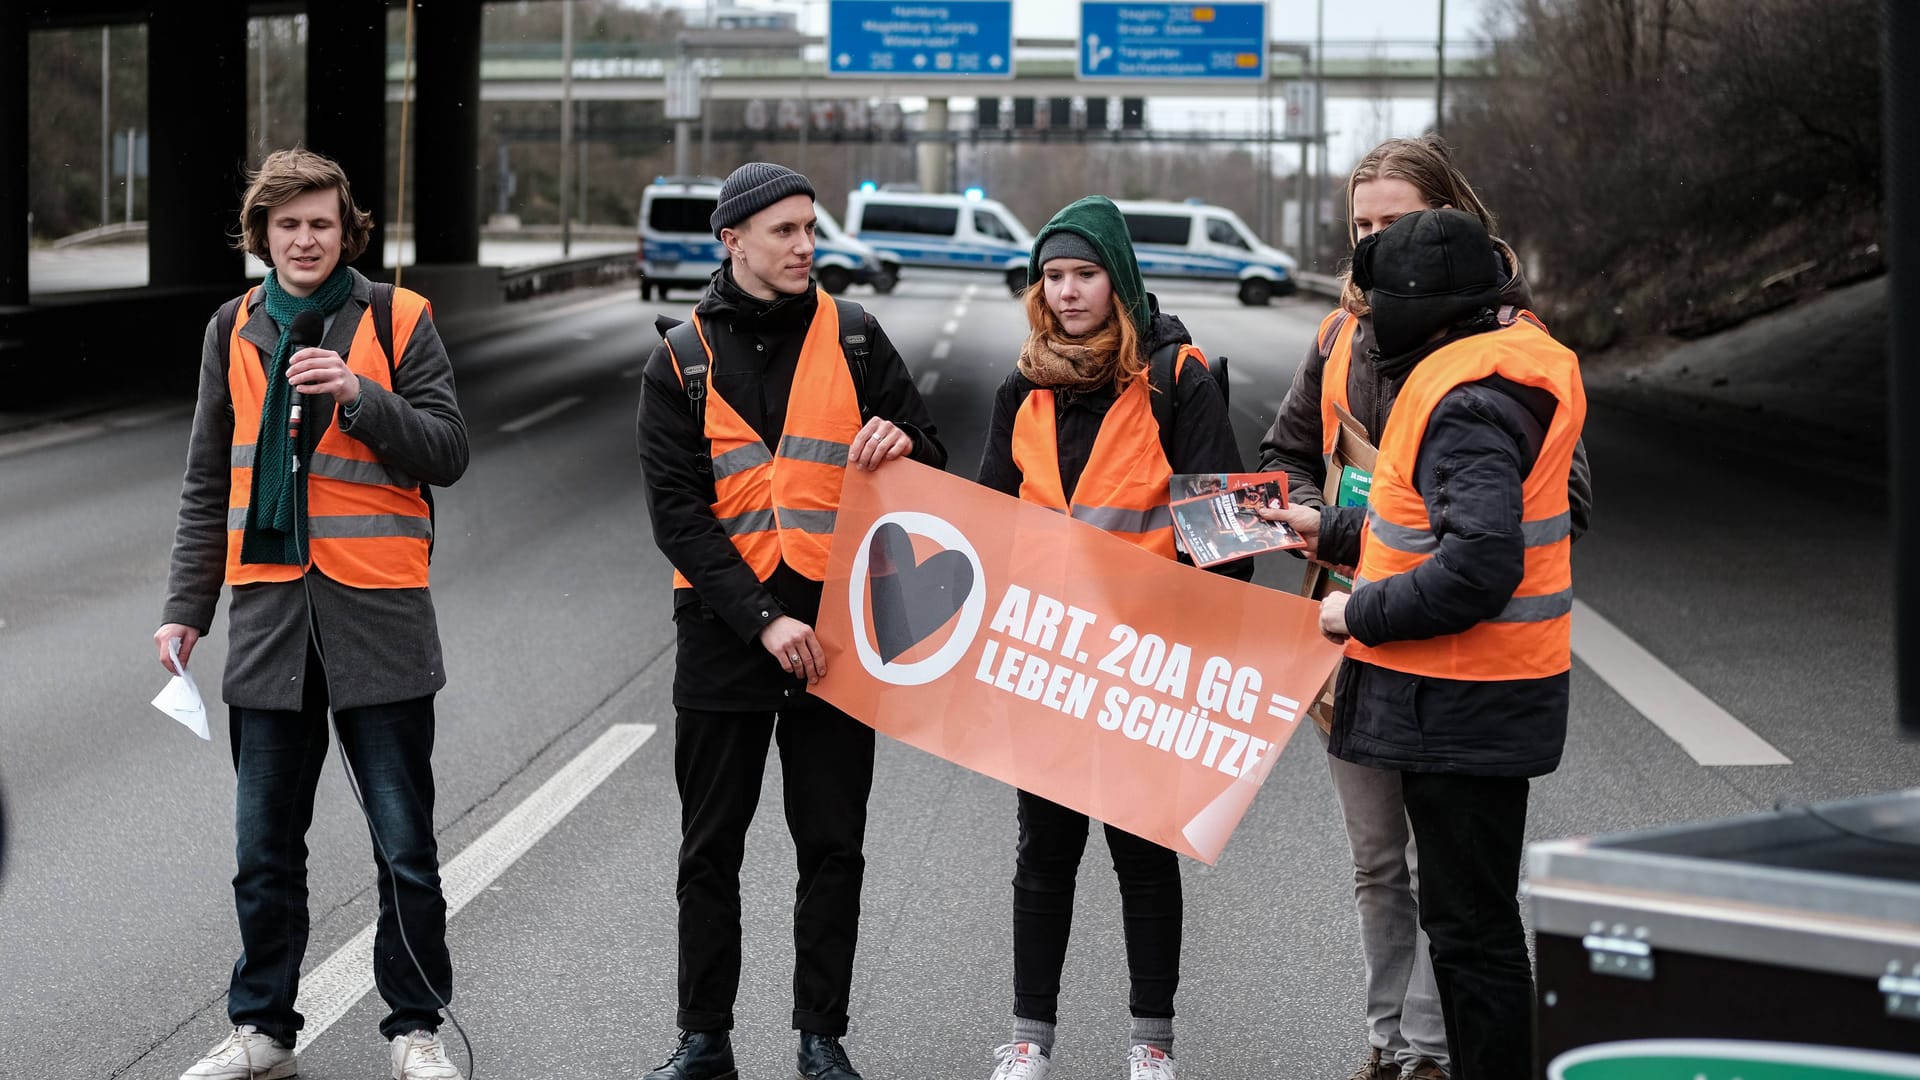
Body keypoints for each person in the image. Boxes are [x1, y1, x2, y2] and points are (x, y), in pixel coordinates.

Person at [1256, 135, 1592, 1080]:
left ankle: (1440, 1055)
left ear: (1447, 223)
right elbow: (1286, 447)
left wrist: (1428, 514)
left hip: (1442, 645)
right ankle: (1391, 1044)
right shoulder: (1337, 340)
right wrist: (1311, 518)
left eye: (1392, 226)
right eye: (1360, 227)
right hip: (1355, 634)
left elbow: (1543, 514)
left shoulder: (1494, 360)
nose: (1370, 248)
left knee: (1461, 897)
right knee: (1383, 862)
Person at [154, 147, 469, 1080]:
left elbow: (447, 450)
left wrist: (362, 397)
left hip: (379, 615)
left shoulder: (399, 318)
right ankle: (264, 1033)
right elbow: (209, 480)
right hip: (269, 619)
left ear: (347, 231)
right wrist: (185, 607)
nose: (304, 239)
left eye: (321, 223)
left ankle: (415, 1029)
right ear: (262, 234)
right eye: (286, 224)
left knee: (405, 848)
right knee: (263, 852)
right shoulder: (233, 327)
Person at [634, 162, 947, 1080]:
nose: (807, 246)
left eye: (811, 228)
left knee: (833, 848)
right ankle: (704, 1041)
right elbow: (678, 517)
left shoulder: (854, 337)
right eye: (784, 232)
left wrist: (905, 444)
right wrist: (765, 619)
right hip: (729, 636)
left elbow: (931, 463)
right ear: (731, 240)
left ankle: (821, 1039)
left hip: (842, 633)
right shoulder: (681, 359)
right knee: (709, 852)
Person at [974, 195, 1250, 1080]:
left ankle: (1151, 1043)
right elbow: (983, 524)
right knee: (1042, 854)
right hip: (1049, 662)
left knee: (1141, 855)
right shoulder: (1021, 387)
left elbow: (1229, 552)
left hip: (1142, 664)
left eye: (1083, 273)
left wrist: (1160, 629)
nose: (1066, 292)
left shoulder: (1178, 379)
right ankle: (1028, 1039)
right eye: (1051, 277)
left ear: (1119, 279)